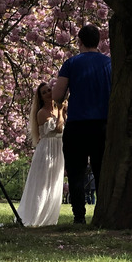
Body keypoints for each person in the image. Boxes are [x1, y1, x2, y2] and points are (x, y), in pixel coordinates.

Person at [53, 24, 111, 225]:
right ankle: (102, 214)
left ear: (79, 41)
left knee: (76, 172)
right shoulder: (109, 64)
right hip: (102, 125)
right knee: (101, 171)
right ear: (99, 42)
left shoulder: (71, 63)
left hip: (77, 124)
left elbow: (58, 96)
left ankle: (79, 216)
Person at [16, 81, 66, 227]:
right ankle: (36, 215)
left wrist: (62, 111)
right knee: (43, 182)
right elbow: (57, 129)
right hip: (47, 149)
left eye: (49, 90)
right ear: (40, 97)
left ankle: (50, 218)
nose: (48, 94)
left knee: (54, 182)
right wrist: (62, 112)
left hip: (58, 148)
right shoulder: (42, 113)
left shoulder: (58, 109)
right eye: (44, 92)